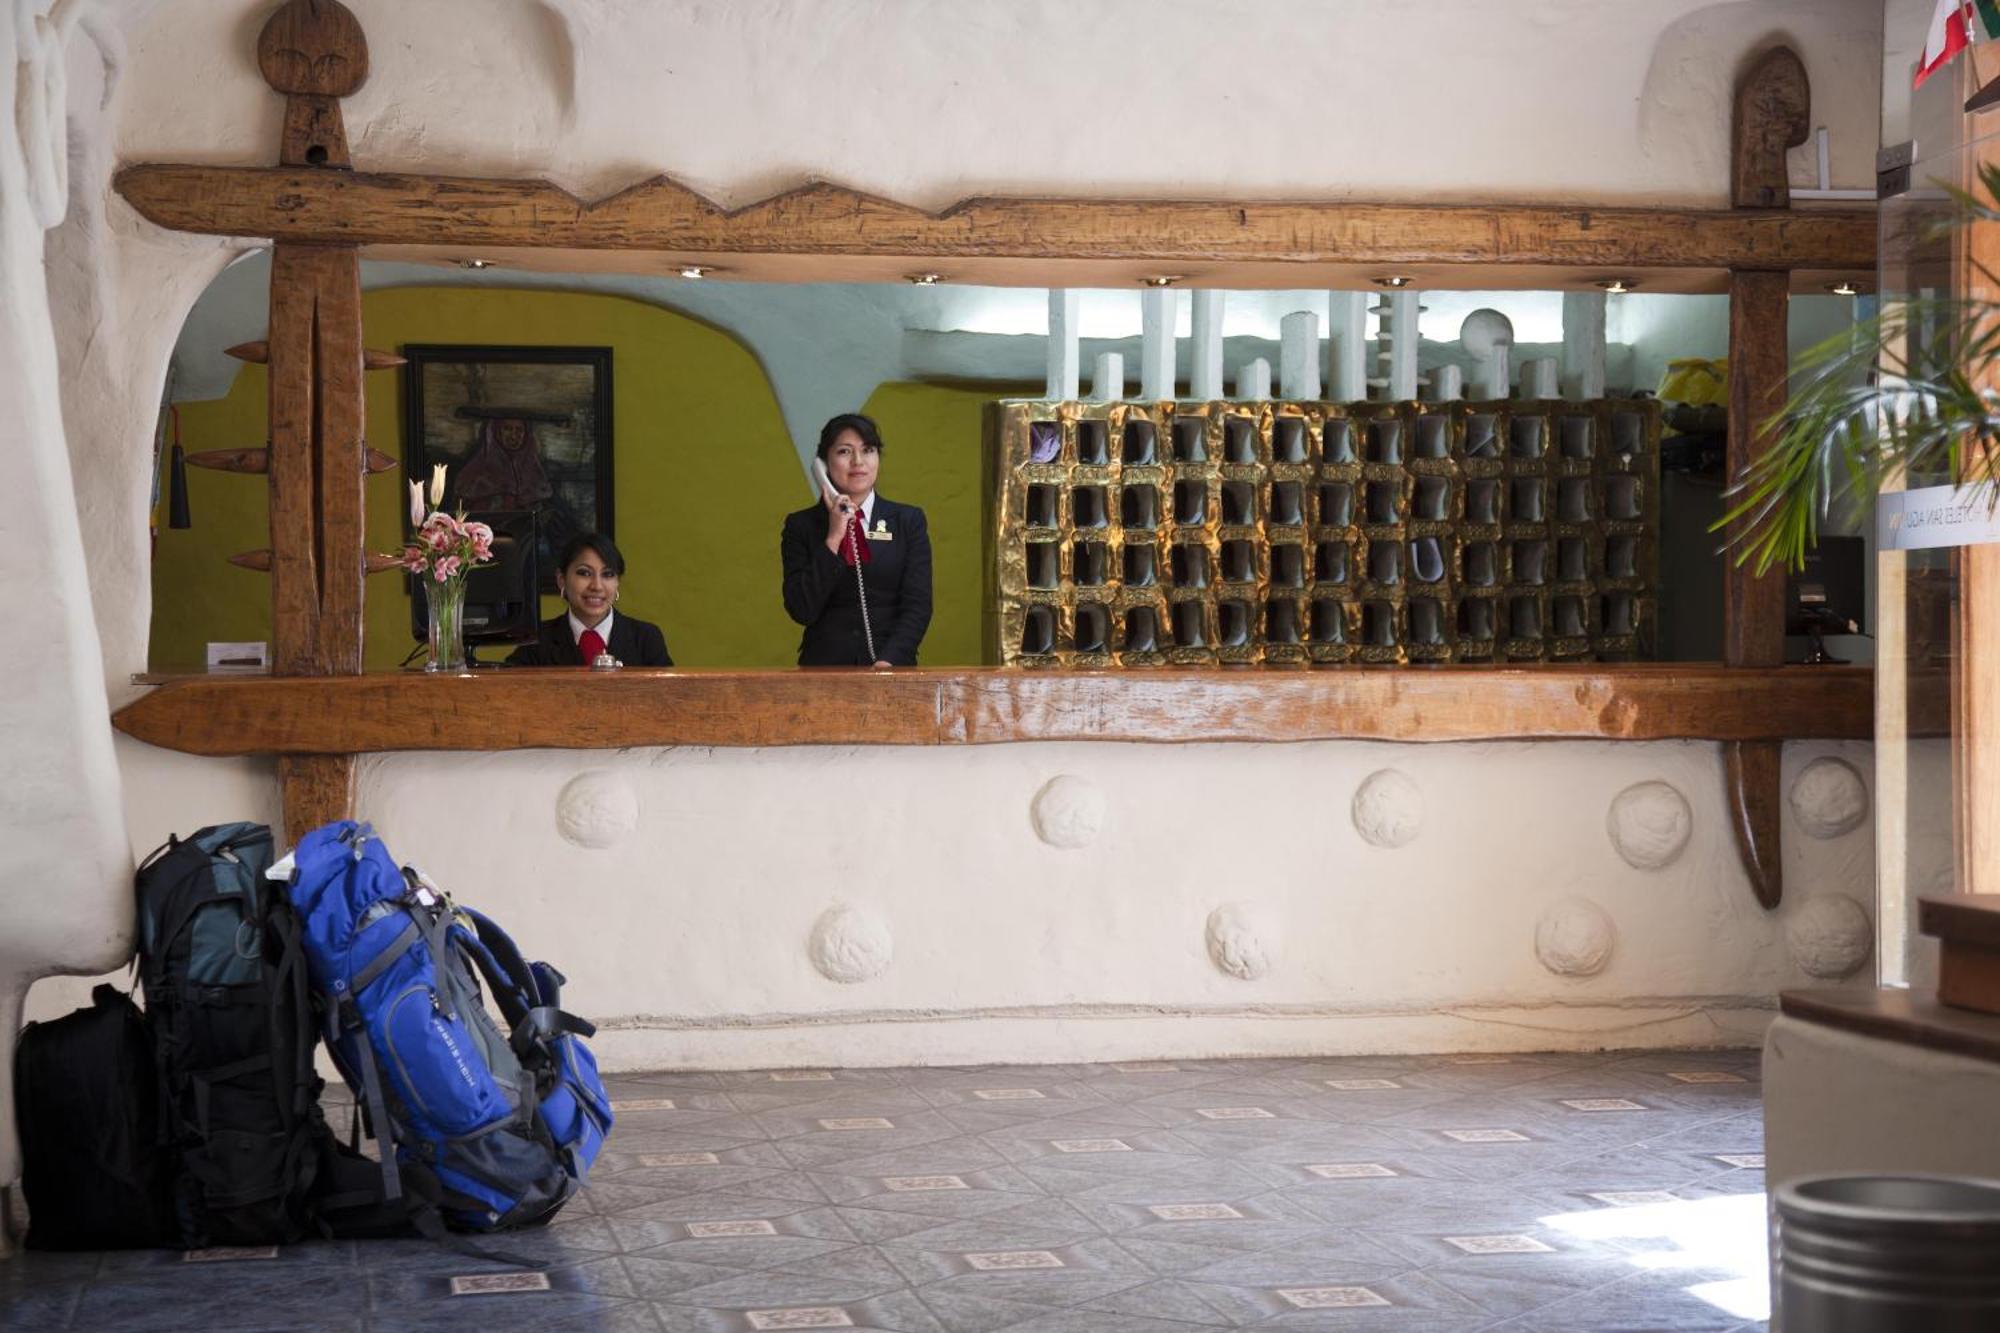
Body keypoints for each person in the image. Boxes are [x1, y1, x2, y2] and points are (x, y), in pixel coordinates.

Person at [781, 413, 932, 667]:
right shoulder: (801, 525)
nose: (858, 462)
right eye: (844, 451)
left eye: (868, 450)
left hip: (891, 670)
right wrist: (834, 536)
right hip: (824, 671)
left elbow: (918, 605)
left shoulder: (908, 520)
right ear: (823, 464)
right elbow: (801, 609)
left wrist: (889, 661)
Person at [507, 531, 672, 667]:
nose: (597, 586)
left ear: (617, 583)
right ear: (561, 579)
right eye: (584, 573)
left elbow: (669, 699)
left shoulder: (646, 638)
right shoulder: (536, 641)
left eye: (608, 574)